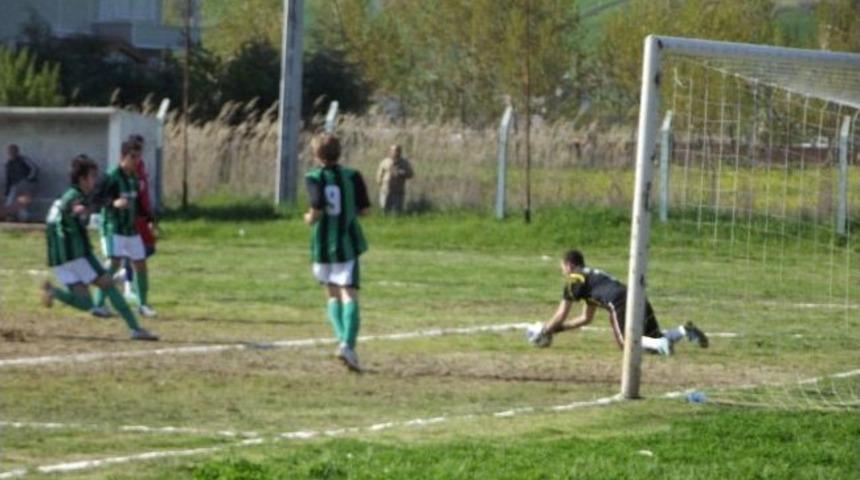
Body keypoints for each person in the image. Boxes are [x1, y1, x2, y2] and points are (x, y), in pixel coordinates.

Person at [40, 154, 158, 341]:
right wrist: (81, 210)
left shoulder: (67, 195)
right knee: (108, 285)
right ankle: (136, 329)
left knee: (87, 303)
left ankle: (53, 292)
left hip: (58, 257)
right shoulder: (76, 197)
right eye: (92, 176)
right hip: (76, 253)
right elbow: (76, 208)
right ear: (82, 179)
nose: (95, 180)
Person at [526, 250, 708, 355]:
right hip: (636, 295)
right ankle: (684, 331)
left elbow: (561, 314)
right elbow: (585, 318)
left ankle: (663, 346)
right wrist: (556, 330)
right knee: (652, 338)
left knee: (627, 344)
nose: (563, 271)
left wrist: (544, 330)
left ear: (569, 265)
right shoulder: (592, 277)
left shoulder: (575, 280)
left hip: (619, 303)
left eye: (563, 267)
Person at [304, 133, 371, 372]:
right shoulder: (353, 176)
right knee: (349, 294)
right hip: (347, 243)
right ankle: (347, 344)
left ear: (316, 155)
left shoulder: (313, 177)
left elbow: (317, 207)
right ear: (339, 152)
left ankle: (342, 340)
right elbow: (364, 210)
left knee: (332, 295)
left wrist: (309, 218)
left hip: (322, 246)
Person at [91, 140, 157, 318]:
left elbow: (138, 204)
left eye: (138, 157)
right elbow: (96, 199)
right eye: (132, 157)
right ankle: (98, 304)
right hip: (113, 228)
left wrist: (149, 219)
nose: (136, 161)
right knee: (114, 263)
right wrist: (113, 203)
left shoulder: (134, 178)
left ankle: (143, 305)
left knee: (141, 264)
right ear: (123, 157)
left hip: (130, 228)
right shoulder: (111, 176)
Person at [116, 135, 157, 300]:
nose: (137, 157)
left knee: (149, 248)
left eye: (139, 153)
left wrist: (150, 218)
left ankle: (122, 274)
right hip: (131, 218)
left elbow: (142, 194)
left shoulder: (140, 168)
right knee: (134, 251)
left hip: (142, 215)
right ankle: (127, 286)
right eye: (134, 154)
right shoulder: (123, 173)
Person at [4, 144, 39, 221]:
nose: (11, 153)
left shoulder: (24, 160)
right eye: (10, 152)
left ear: (17, 152)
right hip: (16, 186)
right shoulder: (8, 164)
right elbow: (8, 179)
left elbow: (34, 168)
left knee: (23, 203)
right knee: (10, 201)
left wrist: (28, 180)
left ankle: (25, 219)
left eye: (13, 151)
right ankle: (10, 217)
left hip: (27, 185)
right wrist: (7, 191)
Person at [375, 144, 413, 214]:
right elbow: (379, 175)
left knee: (397, 211)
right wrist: (380, 183)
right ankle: (383, 221)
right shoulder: (384, 162)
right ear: (389, 152)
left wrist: (402, 173)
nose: (394, 152)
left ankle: (396, 222)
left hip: (398, 191)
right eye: (392, 150)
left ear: (400, 152)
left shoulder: (404, 162)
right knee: (384, 209)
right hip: (386, 189)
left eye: (397, 150)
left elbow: (410, 174)